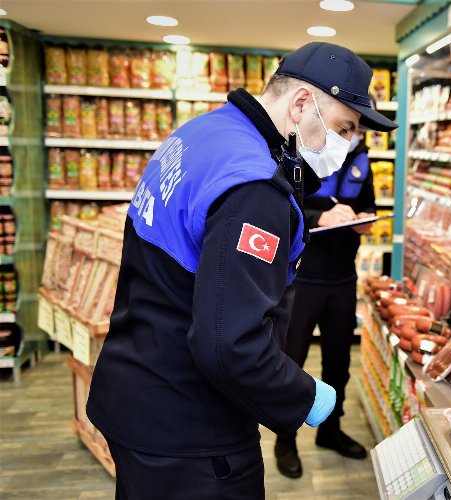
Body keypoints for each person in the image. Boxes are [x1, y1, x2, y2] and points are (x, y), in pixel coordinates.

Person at [86, 41, 397, 499]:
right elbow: (229, 345)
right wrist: (307, 396)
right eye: (343, 127)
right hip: (191, 427)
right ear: (300, 104)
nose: (346, 145)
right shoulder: (255, 186)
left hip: (137, 385)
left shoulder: (203, 133)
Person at [274, 113, 378, 478]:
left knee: (338, 363)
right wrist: (321, 218)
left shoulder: (363, 161)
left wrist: (365, 219)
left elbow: (370, 205)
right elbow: (287, 205)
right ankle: (284, 440)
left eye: (358, 129)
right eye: (348, 127)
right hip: (304, 278)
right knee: (291, 360)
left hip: (343, 279)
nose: (352, 135)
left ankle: (330, 432)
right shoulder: (301, 155)